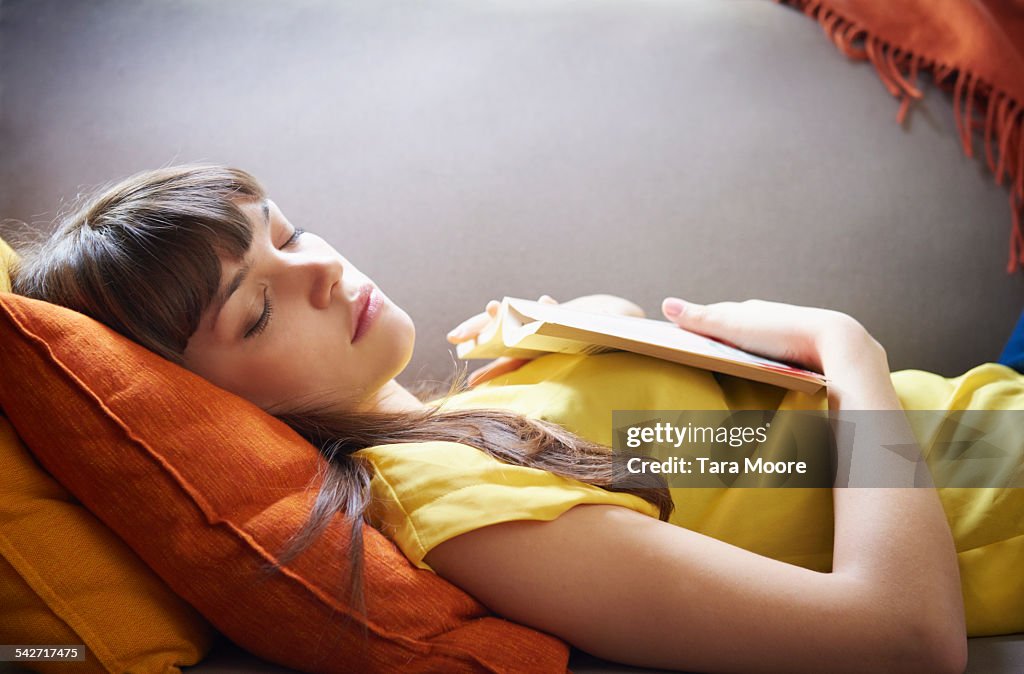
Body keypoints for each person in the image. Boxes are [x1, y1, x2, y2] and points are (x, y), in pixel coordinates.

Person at [9, 164, 1021, 674]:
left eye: (286, 233)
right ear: (210, 403)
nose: (320, 267)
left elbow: (773, 464)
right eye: (259, 304)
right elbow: (902, 633)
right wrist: (850, 350)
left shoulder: (481, 419)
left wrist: (596, 333)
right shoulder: (451, 505)